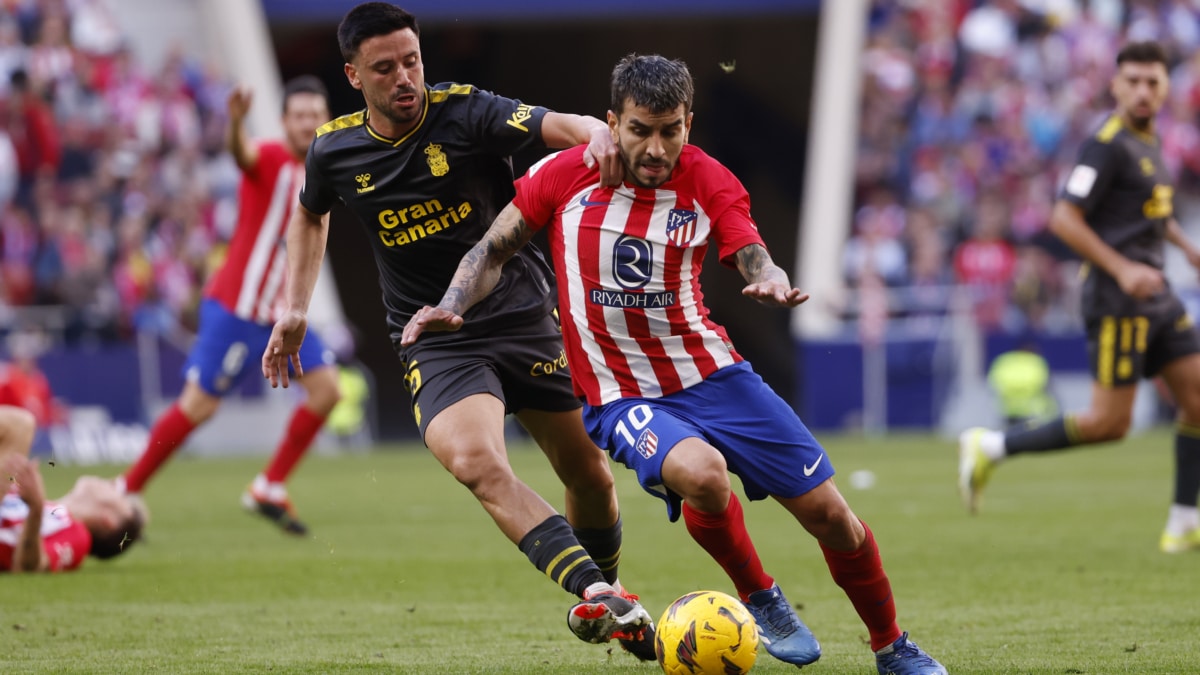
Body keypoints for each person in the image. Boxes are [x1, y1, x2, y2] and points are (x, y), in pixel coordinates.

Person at [402, 53, 947, 675]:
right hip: (621, 395)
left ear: (690, 122)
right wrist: (449, 304)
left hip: (714, 374)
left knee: (834, 518)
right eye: (641, 129)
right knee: (704, 475)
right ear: (613, 122)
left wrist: (769, 277)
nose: (657, 147)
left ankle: (892, 647)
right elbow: (493, 248)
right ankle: (761, 596)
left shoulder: (707, 178)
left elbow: (750, 249)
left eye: (672, 129)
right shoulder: (562, 175)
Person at [260, 3, 654, 658]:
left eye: (411, 60)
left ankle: (613, 596)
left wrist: (598, 134)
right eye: (384, 68)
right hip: (436, 336)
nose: (405, 77)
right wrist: (296, 307)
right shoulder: (334, 149)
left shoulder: (466, 112)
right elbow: (310, 214)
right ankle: (596, 587)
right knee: (476, 460)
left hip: (520, 313)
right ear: (354, 76)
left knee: (590, 476)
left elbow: (558, 123)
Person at [959, 40, 1200, 554]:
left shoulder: (1151, 141)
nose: (1142, 90)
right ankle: (992, 445)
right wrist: (1123, 268)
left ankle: (1183, 521)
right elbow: (1063, 218)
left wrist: (1184, 246)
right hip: (1119, 298)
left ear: (1165, 88)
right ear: (1114, 85)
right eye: (1132, 80)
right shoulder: (1107, 144)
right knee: (1109, 424)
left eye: (1152, 82)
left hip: (1157, 294)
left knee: (1198, 400)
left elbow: (1152, 212)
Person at [116, 75, 342, 536]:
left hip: (283, 315)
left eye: (314, 115)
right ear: (283, 121)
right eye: (298, 116)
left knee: (328, 390)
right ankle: (127, 488)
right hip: (237, 309)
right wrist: (236, 121)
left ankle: (268, 486)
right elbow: (244, 154)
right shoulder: (272, 157)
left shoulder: (328, 169)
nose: (306, 123)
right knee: (199, 406)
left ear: (327, 120)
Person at [1, 405, 146, 572]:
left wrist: (36, 509)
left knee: (20, 426)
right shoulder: (42, 506)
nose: (112, 484)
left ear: (109, 521)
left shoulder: (79, 536)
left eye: (118, 495)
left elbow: (31, 567)